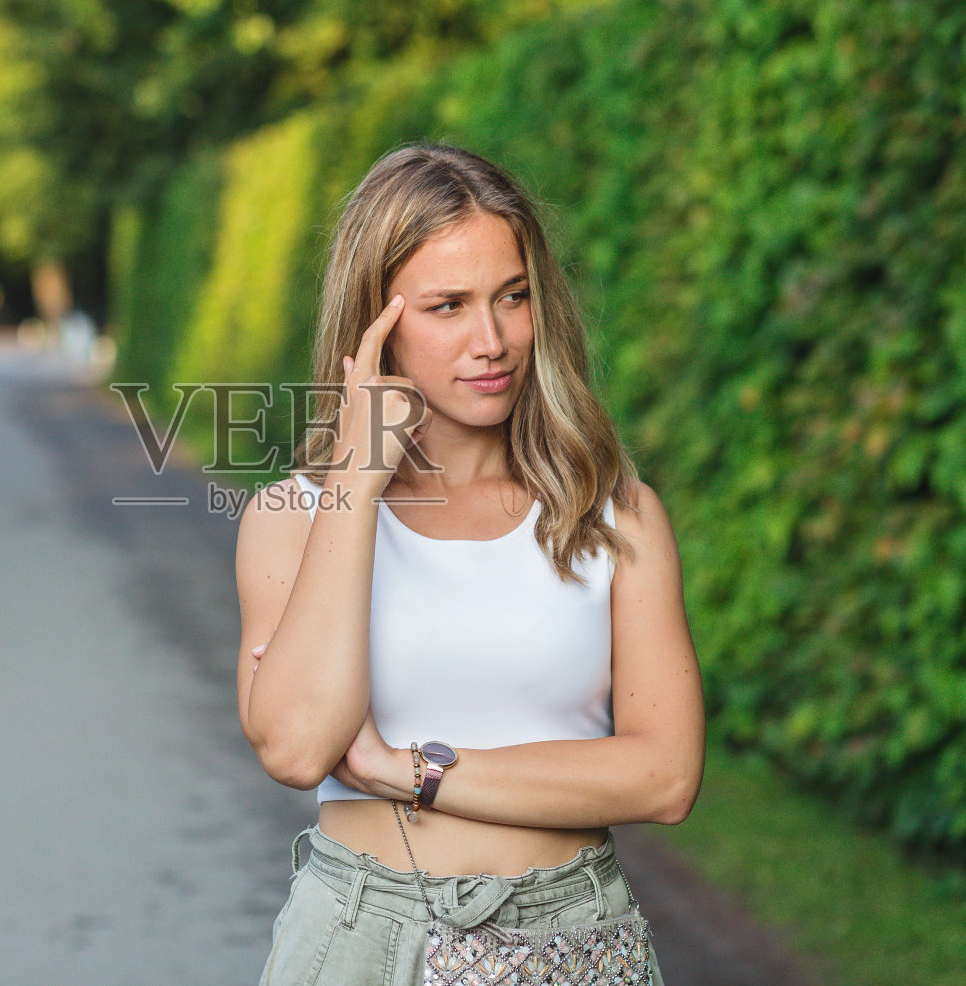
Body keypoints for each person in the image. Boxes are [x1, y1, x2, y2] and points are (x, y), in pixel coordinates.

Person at [234, 144, 705, 984]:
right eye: (447, 305)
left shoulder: (614, 514)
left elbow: (664, 775)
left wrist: (406, 770)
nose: (491, 341)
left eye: (512, 297)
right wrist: (358, 474)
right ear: (374, 325)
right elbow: (299, 747)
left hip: (575, 937)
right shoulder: (292, 517)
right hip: (361, 938)